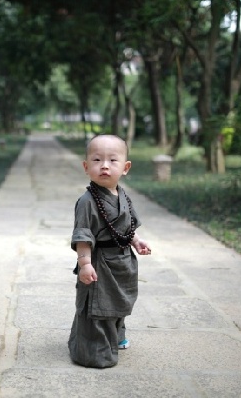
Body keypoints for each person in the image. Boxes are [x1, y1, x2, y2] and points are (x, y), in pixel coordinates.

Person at [68, 134, 151, 368]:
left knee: (120, 300)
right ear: (86, 167)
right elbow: (83, 235)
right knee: (99, 305)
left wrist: (136, 241)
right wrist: (85, 263)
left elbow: (126, 226)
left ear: (125, 168)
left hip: (123, 261)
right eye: (97, 160)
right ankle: (95, 350)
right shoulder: (87, 201)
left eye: (112, 160)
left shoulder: (123, 195)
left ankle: (117, 334)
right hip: (100, 263)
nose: (104, 165)